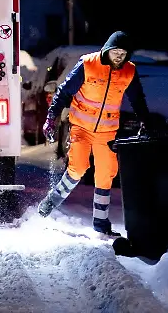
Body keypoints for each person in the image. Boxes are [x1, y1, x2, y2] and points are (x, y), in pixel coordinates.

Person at [38, 31, 152, 237]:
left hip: (107, 132)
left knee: (106, 174)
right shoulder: (88, 64)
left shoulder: (129, 71)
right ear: (107, 50)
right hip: (81, 127)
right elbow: (64, 92)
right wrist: (51, 117)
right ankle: (51, 201)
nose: (119, 56)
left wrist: (147, 120)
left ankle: (101, 223)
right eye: (115, 52)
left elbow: (138, 99)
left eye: (123, 53)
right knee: (78, 167)